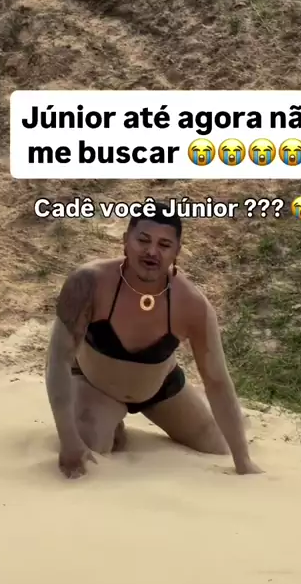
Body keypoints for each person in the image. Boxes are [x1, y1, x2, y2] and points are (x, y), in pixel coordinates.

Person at [45, 200, 263, 479]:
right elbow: (58, 360)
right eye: (143, 240)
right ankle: (111, 422)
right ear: (126, 240)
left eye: (164, 244)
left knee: (218, 445)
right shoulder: (87, 283)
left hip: (159, 387)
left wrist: (243, 462)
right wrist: (68, 440)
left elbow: (217, 381)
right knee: (90, 444)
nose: (152, 252)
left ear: (177, 251)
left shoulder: (192, 304)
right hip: (95, 384)